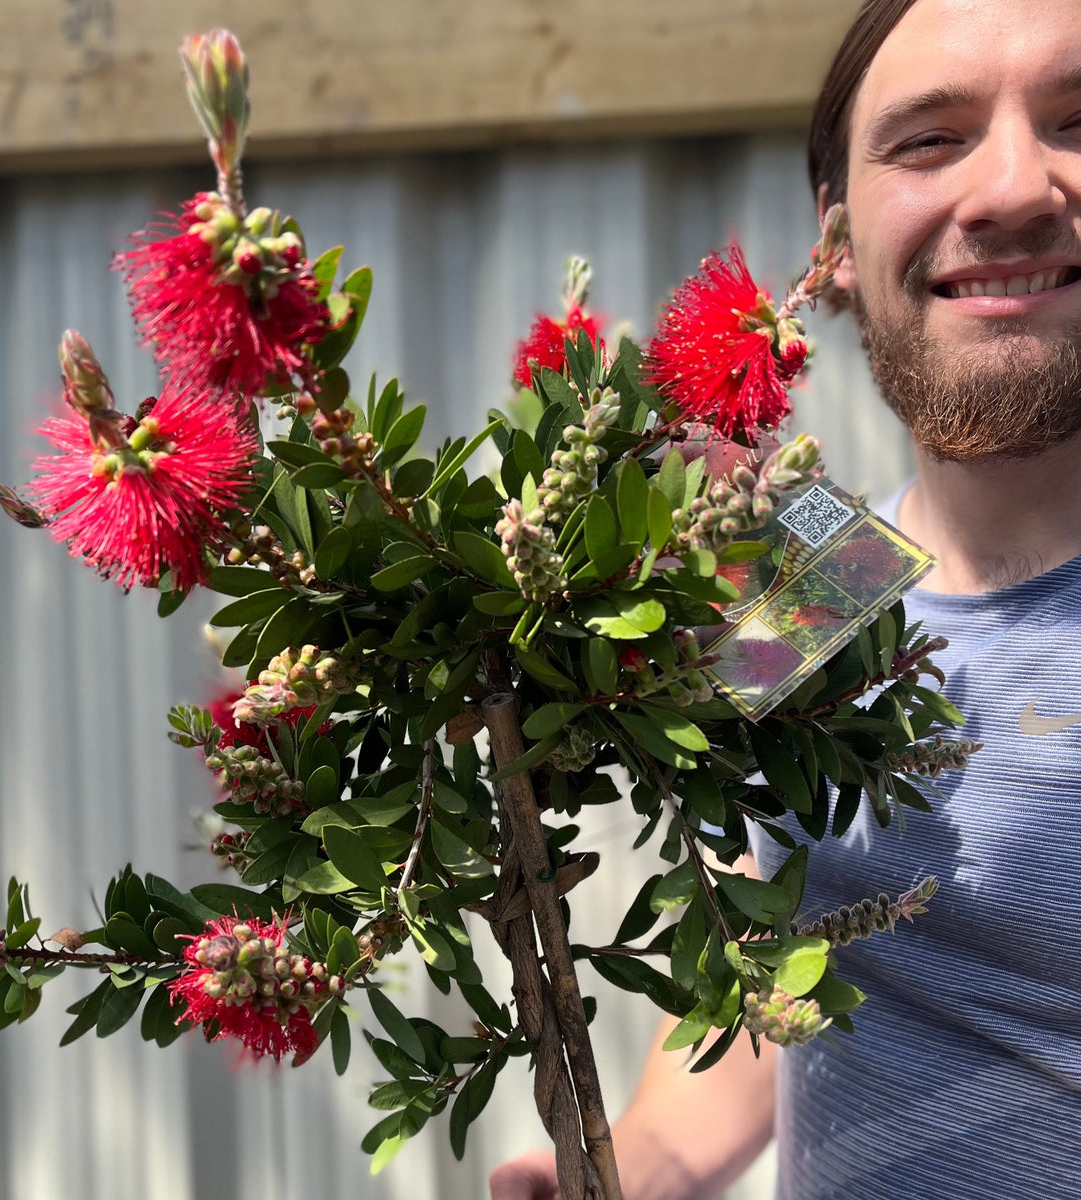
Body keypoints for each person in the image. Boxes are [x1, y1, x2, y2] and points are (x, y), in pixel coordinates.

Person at [491, 0, 1081, 1196]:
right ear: (839, 246)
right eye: (930, 140)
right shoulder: (833, 565)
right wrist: (642, 1167)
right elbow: (782, 953)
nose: (1012, 185)